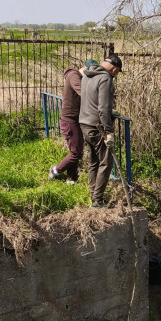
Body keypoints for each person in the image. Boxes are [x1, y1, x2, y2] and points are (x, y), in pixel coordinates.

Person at [79, 54, 122, 207]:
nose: (116, 76)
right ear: (115, 69)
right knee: (106, 162)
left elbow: (91, 101)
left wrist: (111, 112)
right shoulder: (105, 78)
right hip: (97, 126)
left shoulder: (87, 74)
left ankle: (93, 195)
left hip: (84, 123)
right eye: (117, 73)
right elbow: (103, 108)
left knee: (93, 161)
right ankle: (97, 201)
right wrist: (109, 131)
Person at [48, 59, 98, 184]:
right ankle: (56, 170)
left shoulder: (77, 76)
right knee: (76, 153)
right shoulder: (74, 76)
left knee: (75, 150)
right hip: (70, 120)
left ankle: (72, 178)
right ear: (86, 69)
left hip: (75, 118)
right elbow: (83, 93)